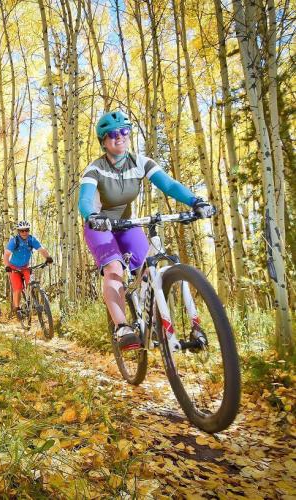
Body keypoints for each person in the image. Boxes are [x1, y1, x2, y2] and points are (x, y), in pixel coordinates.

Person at [78, 110, 214, 350]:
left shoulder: (140, 162)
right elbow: (85, 201)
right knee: (114, 268)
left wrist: (196, 202)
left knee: (149, 263)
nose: (119, 137)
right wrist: (92, 216)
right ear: (103, 142)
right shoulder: (95, 169)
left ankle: (148, 314)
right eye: (111, 134)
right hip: (99, 226)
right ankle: (122, 327)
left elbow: (169, 184)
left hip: (127, 225)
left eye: (124, 132)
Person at [3, 221, 53, 317]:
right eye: (22, 231)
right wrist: (7, 266)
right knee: (17, 288)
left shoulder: (32, 240)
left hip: (26, 267)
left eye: (27, 230)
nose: (24, 233)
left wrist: (48, 257)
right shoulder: (14, 241)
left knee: (31, 283)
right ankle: (17, 309)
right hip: (13, 268)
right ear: (18, 232)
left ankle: (32, 302)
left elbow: (41, 249)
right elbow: (6, 255)